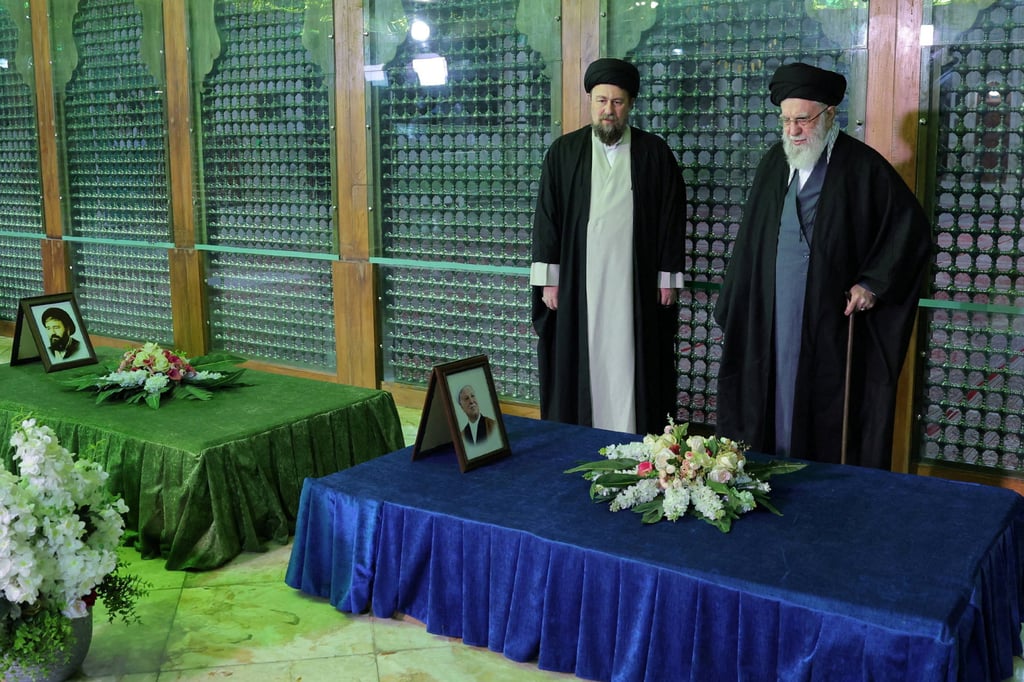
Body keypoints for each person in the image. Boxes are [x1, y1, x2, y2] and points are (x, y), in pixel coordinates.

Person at [714, 62, 932, 469]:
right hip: (773, 310)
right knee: (771, 392)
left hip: (830, 319)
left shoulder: (862, 167)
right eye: (786, 120)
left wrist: (871, 283)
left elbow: (910, 230)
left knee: (822, 407)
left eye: (803, 119)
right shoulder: (772, 165)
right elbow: (749, 245)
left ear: (830, 115)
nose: (793, 130)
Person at [530, 57, 687, 435]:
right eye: (601, 101)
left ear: (630, 105)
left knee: (637, 360)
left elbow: (671, 216)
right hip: (580, 284)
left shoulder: (654, 153)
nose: (608, 111)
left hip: (636, 283)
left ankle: (638, 438)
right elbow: (547, 218)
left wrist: (667, 276)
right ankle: (578, 437)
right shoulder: (564, 153)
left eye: (617, 102)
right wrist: (549, 280)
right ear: (591, 101)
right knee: (580, 361)